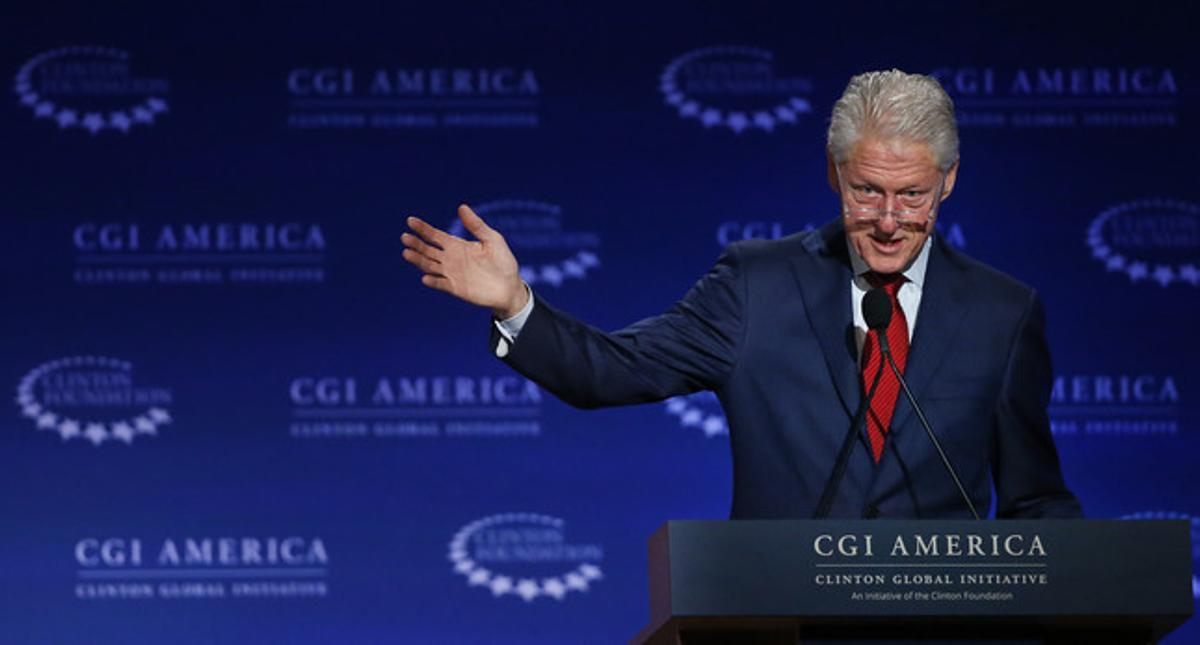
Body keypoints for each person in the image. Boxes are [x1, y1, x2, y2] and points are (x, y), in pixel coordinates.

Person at [401, 69, 1082, 520]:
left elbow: (1035, 499)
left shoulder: (1003, 313)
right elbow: (609, 370)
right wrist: (515, 301)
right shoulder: (758, 285)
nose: (888, 220)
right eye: (867, 191)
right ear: (832, 173)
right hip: (782, 620)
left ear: (950, 181)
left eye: (912, 196)